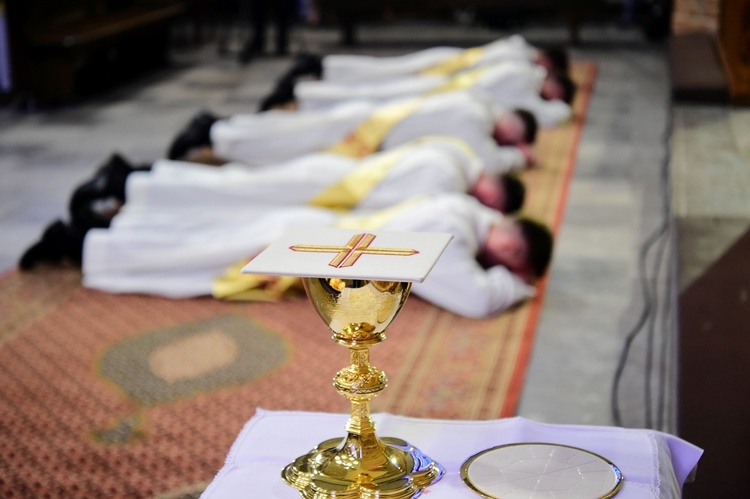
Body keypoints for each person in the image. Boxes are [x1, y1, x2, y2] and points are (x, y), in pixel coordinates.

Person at [19, 137, 526, 270]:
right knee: (199, 248)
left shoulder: (459, 198)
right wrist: (511, 286)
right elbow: (474, 295)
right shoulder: (455, 223)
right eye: (514, 255)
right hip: (324, 223)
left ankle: (114, 212)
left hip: (329, 210)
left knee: (208, 225)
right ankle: (98, 229)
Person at [81, 193, 553, 319]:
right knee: (191, 261)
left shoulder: (464, 208)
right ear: (509, 248)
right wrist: (519, 285)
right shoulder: (450, 233)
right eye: (506, 264)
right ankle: (86, 246)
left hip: (315, 227)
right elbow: (476, 300)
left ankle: (105, 230)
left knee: (202, 236)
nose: (498, 270)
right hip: (307, 247)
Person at [168, 90, 538, 174]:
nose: (505, 137)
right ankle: (215, 134)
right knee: (283, 144)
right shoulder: (475, 121)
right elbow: (488, 159)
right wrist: (517, 155)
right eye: (511, 132)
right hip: (366, 133)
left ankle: (218, 130)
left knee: (287, 135)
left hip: (369, 124)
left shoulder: (476, 103)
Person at [290, 60, 575, 127]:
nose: (550, 96)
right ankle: (312, 88)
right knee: (377, 87)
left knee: (376, 93)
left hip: (447, 86)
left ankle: (312, 95)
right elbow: (557, 113)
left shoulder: (526, 77)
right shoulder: (525, 70)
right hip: (446, 80)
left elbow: (553, 112)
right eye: (555, 91)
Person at [290, 34, 569, 82]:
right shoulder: (520, 57)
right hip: (446, 68)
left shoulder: (518, 48)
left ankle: (324, 69)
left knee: (383, 74)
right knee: (384, 72)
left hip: (449, 66)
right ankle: (322, 66)